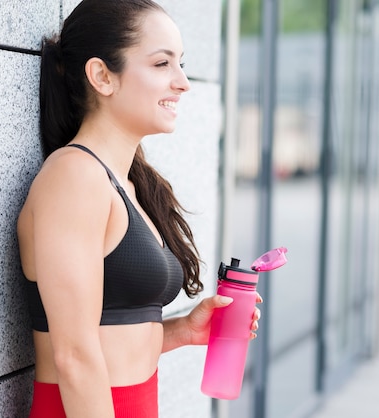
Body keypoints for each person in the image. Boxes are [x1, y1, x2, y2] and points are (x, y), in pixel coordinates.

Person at [17, 0, 261, 417]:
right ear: (102, 76)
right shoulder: (74, 176)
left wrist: (183, 330)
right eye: (162, 64)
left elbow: (111, 334)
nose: (182, 82)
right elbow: (74, 357)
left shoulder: (126, 183)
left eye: (181, 63)